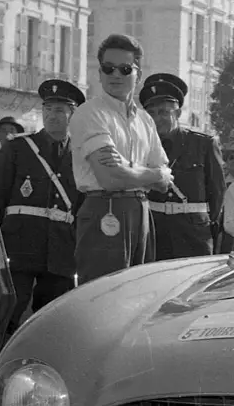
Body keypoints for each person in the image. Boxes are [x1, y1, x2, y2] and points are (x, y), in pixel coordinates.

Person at [69, 33, 175, 285]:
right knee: (102, 294)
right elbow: (110, 178)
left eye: (125, 69)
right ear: (99, 73)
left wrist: (129, 168)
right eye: (108, 68)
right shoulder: (90, 113)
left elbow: (165, 180)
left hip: (140, 210)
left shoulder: (145, 120)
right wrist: (151, 173)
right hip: (105, 209)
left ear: (137, 74)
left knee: (138, 293)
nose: (115, 75)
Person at [0, 80, 84, 331]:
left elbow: (82, 205)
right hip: (20, 245)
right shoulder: (18, 148)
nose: (52, 116)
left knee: (50, 318)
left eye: (60, 111)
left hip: (61, 249)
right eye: (48, 110)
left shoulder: (82, 154)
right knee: (8, 309)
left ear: (72, 115)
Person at [139, 73, 225, 261]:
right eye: (151, 113)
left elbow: (217, 192)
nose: (156, 119)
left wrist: (206, 226)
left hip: (194, 235)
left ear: (177, 113)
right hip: (155, 232)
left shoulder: (203, 144)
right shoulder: (141, 146)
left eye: (163, 112)